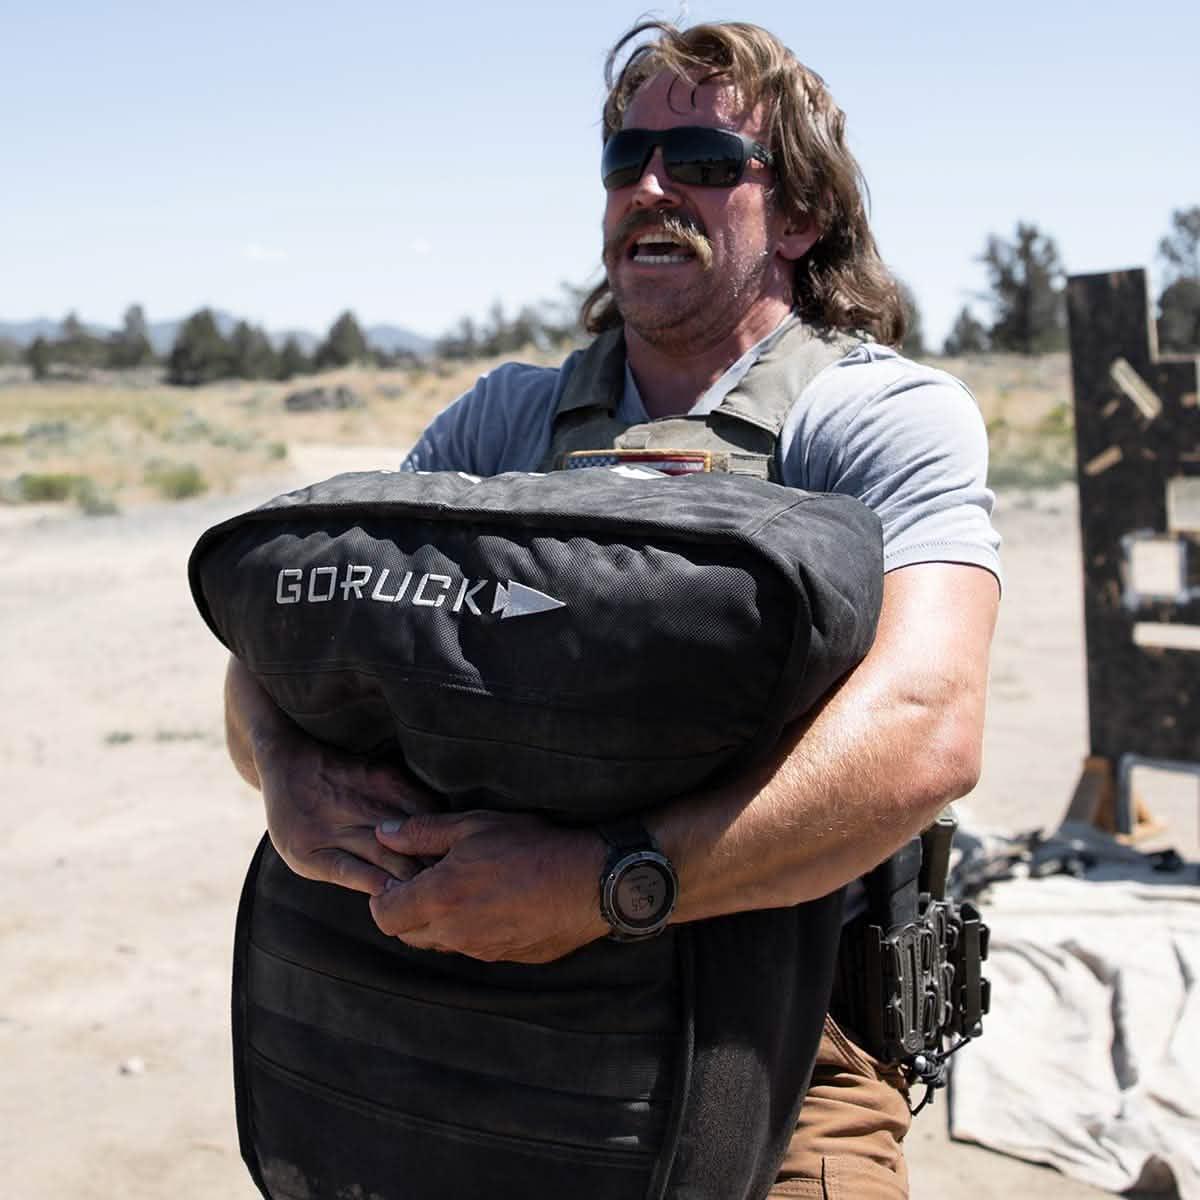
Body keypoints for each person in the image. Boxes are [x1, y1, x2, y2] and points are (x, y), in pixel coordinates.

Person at [225, 19, 1000, 1199]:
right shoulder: (502, 423)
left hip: (781, 1046)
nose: (650, 186)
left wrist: (610, 882)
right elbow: (306, 636)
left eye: (700, 161)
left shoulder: (877, 420)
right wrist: (282, 773)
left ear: (798, 216)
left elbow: (929, 731)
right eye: (624, 159)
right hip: (483, 1020)